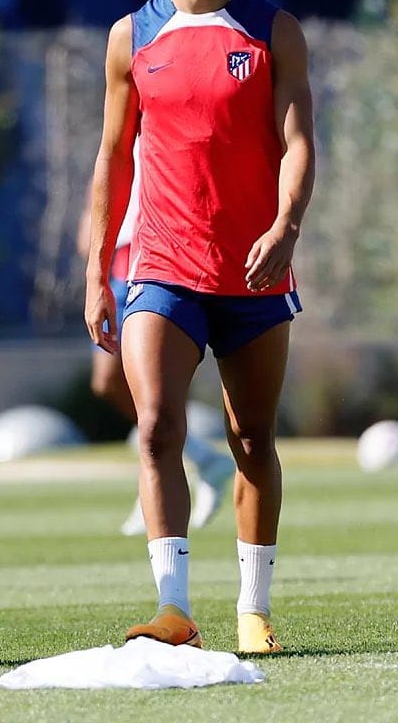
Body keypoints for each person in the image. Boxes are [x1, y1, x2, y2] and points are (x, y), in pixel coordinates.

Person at [84, 0, 315, 655]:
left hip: (254, 273)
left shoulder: (272, 30)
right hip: (161, 266)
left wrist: (286, 224)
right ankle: (174, 606)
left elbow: (297, 142)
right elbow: (114, 159)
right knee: (154, 428)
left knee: (252, 438)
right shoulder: (132, 37)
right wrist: (95, 276)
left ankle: (254, 609)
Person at [76, 181, 235, 538]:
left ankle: (165, 475)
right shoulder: (122, 130)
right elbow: (100, 191)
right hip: (117, 264)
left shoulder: (164, 127)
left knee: (158, 380)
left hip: (156, 256)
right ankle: (199, 458)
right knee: (108, 381)